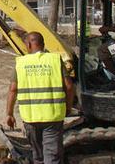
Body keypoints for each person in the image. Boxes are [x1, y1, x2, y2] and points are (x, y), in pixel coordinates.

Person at [5, 32, 75, 164]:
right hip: (53, 117)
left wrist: (9, 114)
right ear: (43, 44)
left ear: (29, 44)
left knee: (38, 157)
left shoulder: (21, 62)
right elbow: (69, 86)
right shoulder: (55, 60)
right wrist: (68, 107)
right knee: (52, 157)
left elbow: (13, 89)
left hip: (30, 118)